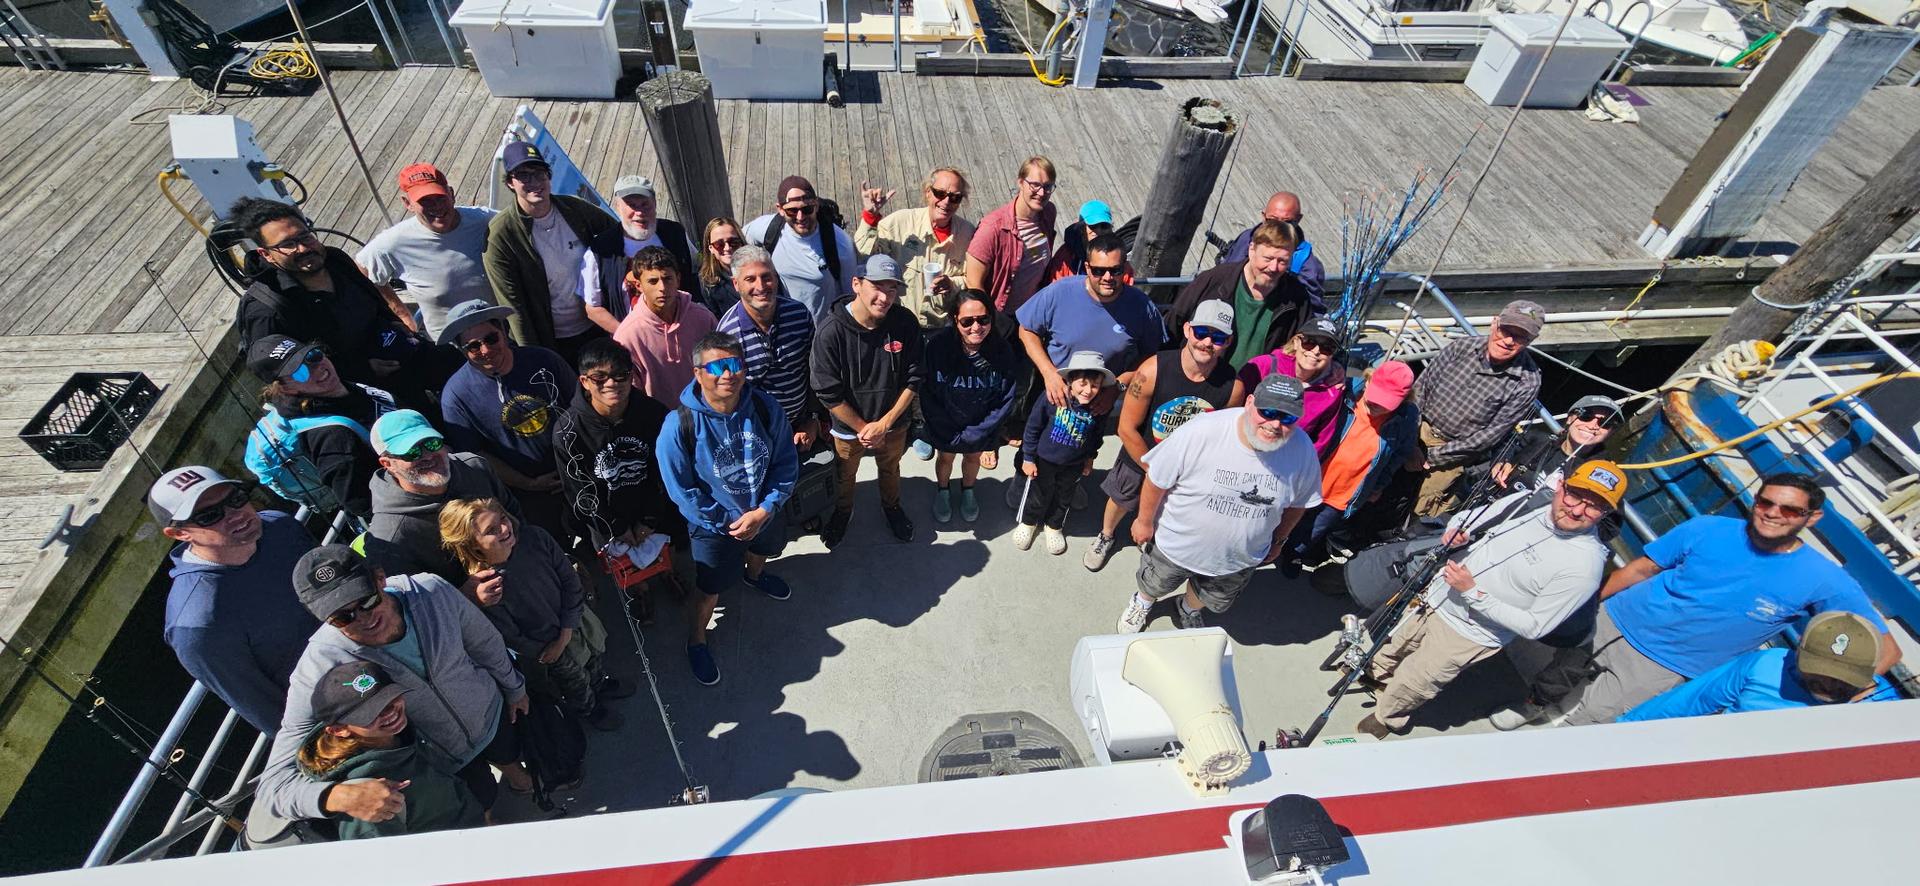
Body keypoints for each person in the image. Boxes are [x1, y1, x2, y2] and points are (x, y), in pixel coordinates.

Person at [1493, 473, 1901, 730]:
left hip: (1669, 664)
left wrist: (1839, 694)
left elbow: (1886, 649)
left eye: (1790, 510)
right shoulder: (1709, 528)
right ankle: (1533, 705)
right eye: (1765, 502)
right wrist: (1588, 604)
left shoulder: (1824, 578)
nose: (1773, 513)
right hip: (1616, 618)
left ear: (1811, 518)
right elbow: (1640, 570)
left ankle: (1551, 748)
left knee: (1597, 717)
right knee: (1560, 671)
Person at [259, 545, 531, 825]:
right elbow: (274, 786)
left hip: (489, 712)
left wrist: (514, 687)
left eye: (366, 601)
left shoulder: (431, 591)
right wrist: (339, 796)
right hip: (439, 759)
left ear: (379, 579)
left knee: (507, 752)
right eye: (342, 617)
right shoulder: (318, 666)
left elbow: (484, 642)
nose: (364, 619)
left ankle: (517, 777)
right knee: (478, 800)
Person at [1354, 462, 1624, 739]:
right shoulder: (1527, 502)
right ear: (1561, 487)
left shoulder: (1585, 566)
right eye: (1575, 496)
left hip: (1471, 633)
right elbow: (1468, 518)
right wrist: (1460, 532)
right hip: (1436, 596)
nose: (1578, 510)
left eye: (1594, 507)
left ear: (1605, 514)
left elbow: (1535, 627)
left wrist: (1472, 592)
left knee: (1418, 679)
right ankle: (1375, 674)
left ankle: (1387, 717)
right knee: (1397, 642)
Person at [1116, 375, 1322, 633]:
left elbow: (1299, 503)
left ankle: (1187, 608)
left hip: (1237, 559)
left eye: (1287, 418)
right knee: (1155, 583)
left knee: (1210, 597)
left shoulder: (1302, 450)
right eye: (1267, 412)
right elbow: (1157, 477)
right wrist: (1144, 521)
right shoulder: (1202, 429)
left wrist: (1280, 540)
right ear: (1249, 402)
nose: (1274, 424)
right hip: (1175, 546)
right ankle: (1142, 603)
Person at [658, 332, 801, 686]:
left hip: (762, 513)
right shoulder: (679, 426)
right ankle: (697, 640)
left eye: (735, 364)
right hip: (714, 527)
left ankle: (753, 576)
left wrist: (765, 510)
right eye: (717, 366)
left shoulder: (766, 408)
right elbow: (682, 491)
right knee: (709, 590)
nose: (728, 374)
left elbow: (785, 463)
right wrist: (725, 521)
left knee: (763, 549)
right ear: (697, 373)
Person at [230, 197, 447, 407]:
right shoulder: (266, 308)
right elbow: (275, 372)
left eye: (304, 236)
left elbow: (372, 296)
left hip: (395, 349)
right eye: (288, 244)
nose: (303, 249)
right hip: (357, 392)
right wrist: (361, 370)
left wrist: (394, 322)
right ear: (265, 254)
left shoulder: (335, 260)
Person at [152, 466, 318, 735]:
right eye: (210, 516)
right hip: (344, 715)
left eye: (236, 499)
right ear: (179, 534)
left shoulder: (280, 525)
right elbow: (273, 715)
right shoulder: (198, 625)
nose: (235, 515)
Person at [439, 498, 628, 731]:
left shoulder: (536, 538)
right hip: (547, 648)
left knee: (593, 655)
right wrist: (546, 649)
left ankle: (600, 684)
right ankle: (589, 709)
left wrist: (566, 630)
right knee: (574, 682)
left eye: (503, 519)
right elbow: (510, 635)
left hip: (574, 620)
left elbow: (570, 580)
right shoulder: (488, 588)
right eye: (491, 530)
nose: (505, 529)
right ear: (474, 546)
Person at [1088, 299, 1244, 573]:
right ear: (1187, 330)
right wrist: (1155, 471)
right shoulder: (1152, 369)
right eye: (1201, 333)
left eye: (1218, 337)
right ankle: (1106, 534)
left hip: (1189, 468)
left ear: (1228, 341)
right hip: (1142, 457)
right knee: (1121, 499)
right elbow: (1126, 428)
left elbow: (1222, 437)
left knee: (1169, 511)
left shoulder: (1233, 388)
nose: (1208, 342)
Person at [437, 300, 575, 548]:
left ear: (504, 332)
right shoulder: (455, 396)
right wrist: (529, 484)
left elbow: (581, 406)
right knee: (552, 549)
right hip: (526, 492)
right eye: (473, 346)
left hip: (576, 469)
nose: (486, 350)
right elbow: (475, 455)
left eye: (491, 338)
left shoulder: (544, 360)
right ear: (461, 350)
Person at [295, 660, 484, 838]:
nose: (389, 712)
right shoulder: (366, 798)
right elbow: (386, 862)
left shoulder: (397, 734)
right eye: (369, 713)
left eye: (389, 697)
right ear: (339, 730)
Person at [810, 255, 925, 547]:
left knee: (891, 468)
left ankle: (892, 507)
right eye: (877, 286)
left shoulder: (905, 323)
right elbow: (828, 393)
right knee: (845, 475)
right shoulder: (830, 332)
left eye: (891, 289)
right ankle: (843, 510)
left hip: (893, 425)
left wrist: (885, 424)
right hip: (849, 429)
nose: (884, 296)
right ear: (857, 284)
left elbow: (914, 378)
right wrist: (864, 428)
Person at [551, 339, 689, 563]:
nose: (611, 383)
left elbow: (669, 471)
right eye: (599, 377)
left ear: (631, 375)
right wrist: (615, 527)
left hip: (655, 506)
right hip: (605, 518)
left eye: (620, 375)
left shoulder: (654, 414)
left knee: (668, 556)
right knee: (623, 572)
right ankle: (637, 592)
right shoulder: (567, 431)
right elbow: (578, 490)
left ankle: (670, 575)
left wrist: (650, 519)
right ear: (584, 381)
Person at [482, 141, 619, 367]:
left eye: (539, 173)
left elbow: (617, 236)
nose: (534, 182)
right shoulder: (501, 235)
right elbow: (513, 306)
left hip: (598, 327)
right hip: (552, 341)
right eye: (523, 175)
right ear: (509, 182)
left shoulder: (575, 209)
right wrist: (534, 358)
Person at [1620, 611, 1892, 723]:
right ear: (1798, 655)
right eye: (1818, 671)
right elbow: (1687, 703)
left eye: (1842, 677)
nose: (1828, 684)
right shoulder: (1767, 664)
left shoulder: (1888, 714)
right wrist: (1622, 732)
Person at [1281, 361, 1420, 578]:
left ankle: (1292, 553)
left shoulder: (1406, 418)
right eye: (1375, 395)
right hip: (1310, 478)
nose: (1376, 404)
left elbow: (1399, 455)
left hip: (1344, 493)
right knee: (1281, 517)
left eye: (1386, 402)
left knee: (1314, 530)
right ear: (1368, 380)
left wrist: (1379, 485)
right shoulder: (1343, 392)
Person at [1409, 300, 1546, 517]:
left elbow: (1486, 438)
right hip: (1417, 427)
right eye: (1505, 330)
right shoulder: (1460, 348)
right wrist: (1410, 441)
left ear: (1531, 341)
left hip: (1453, 451)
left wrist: (1430, 457)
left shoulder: (1527, 382)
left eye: (1519, 336)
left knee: (1418, 506)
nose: (1508, 340)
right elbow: (1419, 391)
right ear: (1494, 323)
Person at [362, 409, 521, 586]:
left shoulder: (475, 467)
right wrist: (465, 597)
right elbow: (410, 603)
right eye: (412, 452)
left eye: (432, 443)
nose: (428, 456)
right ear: (388, 464)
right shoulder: (389, 537)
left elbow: (516, 516)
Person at [243, 335, 394, 519]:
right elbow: (361, 504)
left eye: (313, 356)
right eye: (300, 372)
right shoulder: (333, 439)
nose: (317, 368)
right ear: (286, 389)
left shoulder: (336, 389)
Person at [1015, 232, 1165, 410]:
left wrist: (1118, 387)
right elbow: (1026, 330)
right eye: (1099, 271)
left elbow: (1151, 355)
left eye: (1115, 270)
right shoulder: (1059, 292)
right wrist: (1049, 373)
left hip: (1099, 400)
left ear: (1125, 268)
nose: (1107, 277)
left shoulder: (1143, 307)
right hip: (1053, 392)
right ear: (1087, 267)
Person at [356, 163, 498, 341]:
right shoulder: (393, 242)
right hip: (450, 345)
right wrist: (401, 313)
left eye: (440, 197)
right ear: (408, 204)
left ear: (451, 194)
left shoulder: (483, 219)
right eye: (425, 201)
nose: (436, 206)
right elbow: (361, 271)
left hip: (499, 332)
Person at [919, 289, 1020, 525]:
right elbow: (927, 391)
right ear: (955, 320)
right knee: (945, 458)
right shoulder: (937, 347)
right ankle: (943, 490)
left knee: (973, 459)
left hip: (980, 426)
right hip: (947, 426)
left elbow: (1006, 397)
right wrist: (945, 429)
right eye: (967, 321)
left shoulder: (1002, 350)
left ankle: (968, 490)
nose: (976, 327)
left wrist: (979, 431)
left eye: (983, 319)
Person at [1168, 220, 1319, 369]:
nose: (1273, 267)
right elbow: (1174, 324)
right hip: (1204, 380)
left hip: (1260, 387)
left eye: (1283, 261)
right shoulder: (1213, 280)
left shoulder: (1297, 297)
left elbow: (1308, 345)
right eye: (1268, 259)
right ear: (1251, 249)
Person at [715, 245, 820, 449]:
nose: (761, 286)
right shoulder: (727, 333)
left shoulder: (798, 315)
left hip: (800, 426)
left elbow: (814, 371)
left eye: (766, 277)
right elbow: (727, 395)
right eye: (750, 279)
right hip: (755, 433)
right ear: (736, 284)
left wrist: (812, 419)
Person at [1013, 352, 1111, 555]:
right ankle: (1028, 522)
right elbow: (1032, 427)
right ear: (1070, 381)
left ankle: (1054, 526)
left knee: (1064, 496)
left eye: (1095, 385)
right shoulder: (1052, 398)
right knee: (1038, 493)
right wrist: (1028, 458)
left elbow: (1096, 436)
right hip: (1044, 460)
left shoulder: (1098, 408)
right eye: (1082, 383)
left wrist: (1089, 458)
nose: (1088, 391)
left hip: (1074, 463)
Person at [855, 167, 975, 328]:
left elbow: (972, 279)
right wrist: (870, 216)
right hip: (897, 324)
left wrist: (951, 284)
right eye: (940, 193)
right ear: (927, 192)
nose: (946, 202)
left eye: (955, 197)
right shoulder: (899, 223)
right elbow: (864, 256)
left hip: (941, 327)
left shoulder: (968, 234)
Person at [581, 175, 699, 334]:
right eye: (631, 205)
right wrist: (627, 336)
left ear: (655, 204)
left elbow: (696, 271)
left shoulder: (675, 233)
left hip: (682, 331)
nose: (639, 212)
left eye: (645, 204)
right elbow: (593, 308)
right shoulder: (600, 249)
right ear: (618, 206)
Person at [612, 246, 719, 409]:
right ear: (639, 285)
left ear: (678, 279)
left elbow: (720, 364)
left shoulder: (703, 317)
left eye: (667, 278)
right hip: (661, 422)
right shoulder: (628, 335)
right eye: (652, 281)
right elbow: (631, 393)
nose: (662, 288)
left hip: (708, 411)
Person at [743, 175, 856, 322]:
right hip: (785, 328)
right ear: (780, 209)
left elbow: (852, 296)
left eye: (807, 209)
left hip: (822, 332)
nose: (800, 216)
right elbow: (735, 242)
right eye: (792, 211)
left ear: (815, 205)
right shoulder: (767, 230)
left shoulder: (839, 243)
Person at [1237, 315, 1347, 460]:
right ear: (1296, 342)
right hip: (1244, 450)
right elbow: (1233, 409)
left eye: (1327, 348)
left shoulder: (1332, 391)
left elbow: (1321, 441)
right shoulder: (1263, 366)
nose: (1316, 351)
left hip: (1285, 463)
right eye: (1310, 342)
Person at [966, 156, 1058, 313]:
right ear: (1020, 182)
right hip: (1002, 315)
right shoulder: (993, 228)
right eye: (1035, 185)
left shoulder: (1048, 212)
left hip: (1033, 310)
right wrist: (993, 321)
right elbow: (973, 282)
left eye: (1048, 186)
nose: (1042, 193)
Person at [1483, 394, 1620, 494]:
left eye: (1605, 423)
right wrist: (1501, 462)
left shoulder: (1602, 474)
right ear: (1569, 418)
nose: (1593, 425)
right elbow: (1507, 442)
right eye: (1586, 416)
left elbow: (1609, 526)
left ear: (1612, 432)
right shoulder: (1540, 439)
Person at [1218, 191, 1327, 308]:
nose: (1278, 228)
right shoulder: (1246, 238)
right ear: (1263, 217)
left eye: (1287, 223)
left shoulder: (1308, 266)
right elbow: (1224, 275)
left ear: (1298, 219)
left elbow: (1312, 313)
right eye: (1272, 221)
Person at [1044, 200, 1133, 285]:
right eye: (1093, 226)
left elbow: (1125, 287)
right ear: (1082, 229)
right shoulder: (1066, 256)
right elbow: (1055, 287)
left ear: (1110, 229)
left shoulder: (1119, 257)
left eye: (1104, 226)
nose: (1099, 231)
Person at [697, 217, 746, 315]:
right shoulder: (708, 284)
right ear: (711, 248)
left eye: (733, 242)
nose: (727, 248)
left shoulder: (760, 270)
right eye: (719, 244)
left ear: (741, 243)